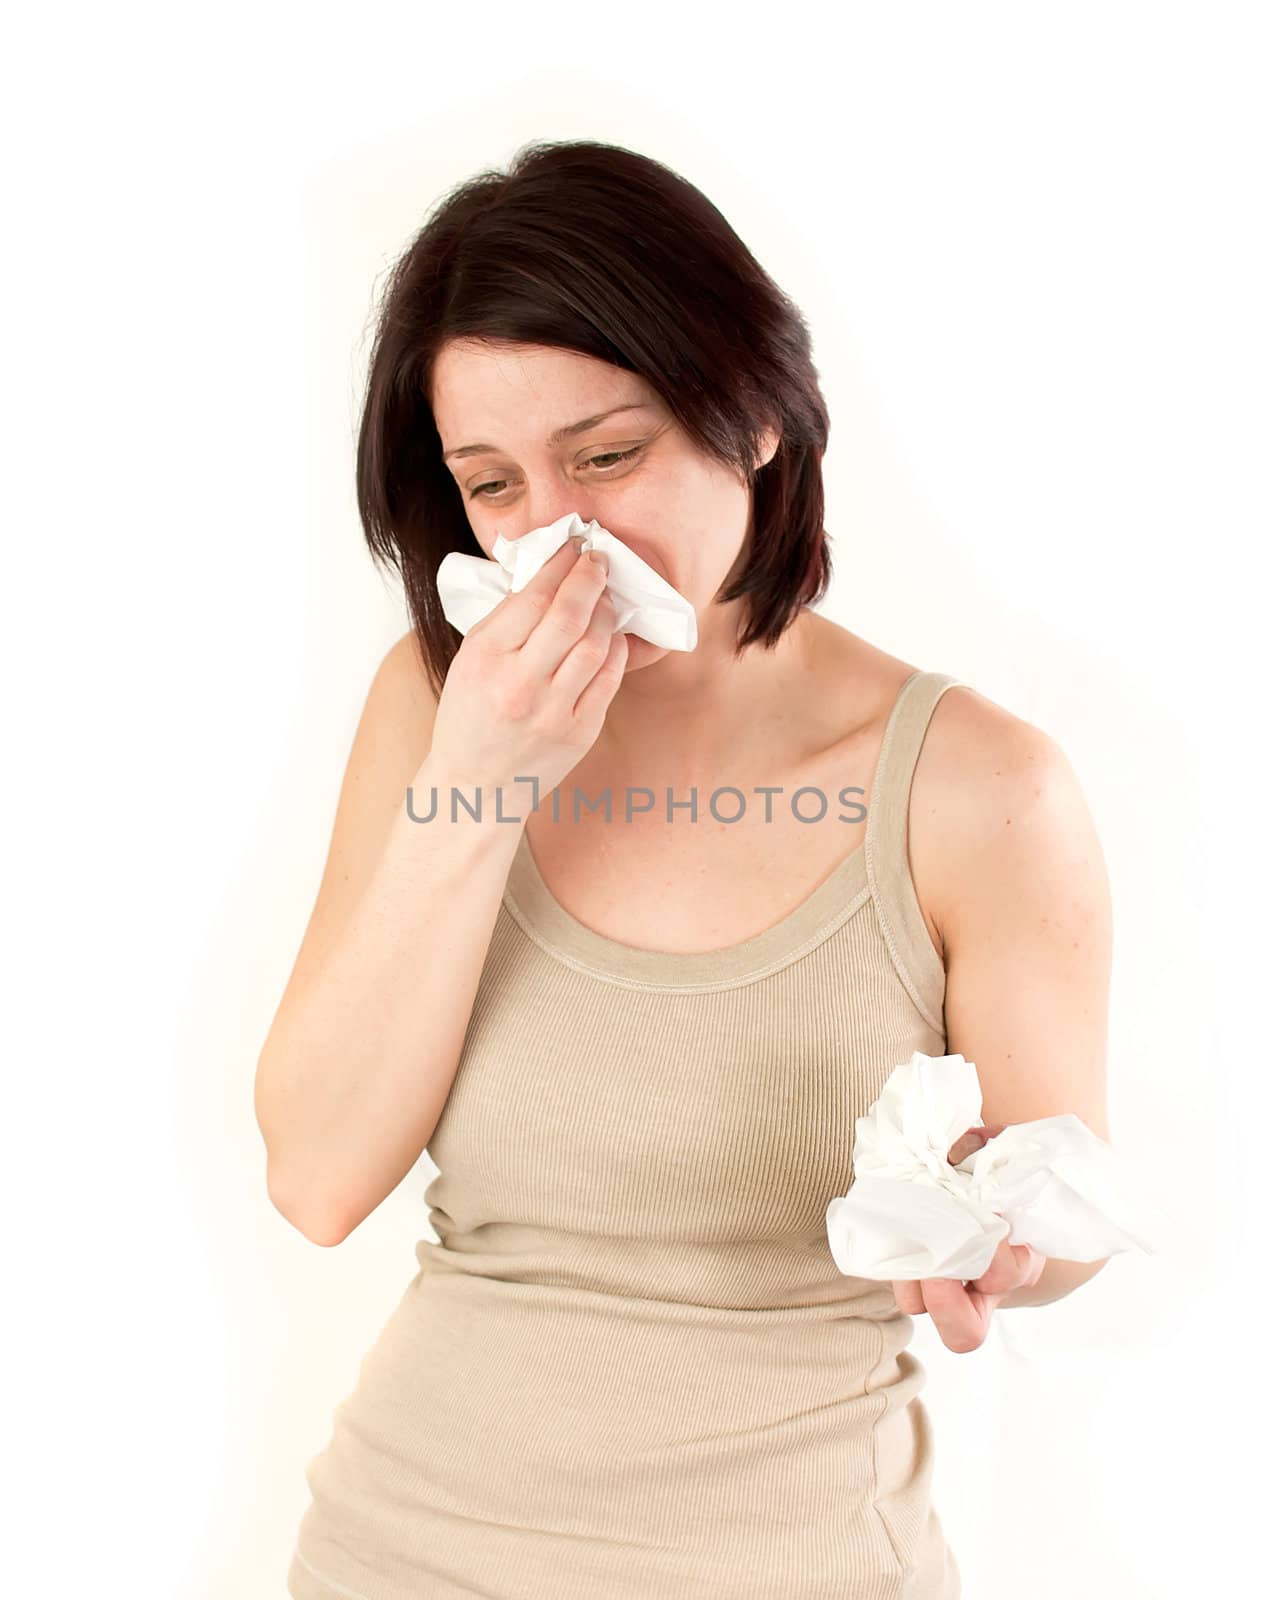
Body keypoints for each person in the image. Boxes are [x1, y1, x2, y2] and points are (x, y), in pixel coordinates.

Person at [255, 138, 1114, 1600]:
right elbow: (319, 1178)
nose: (556, 531)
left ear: (758, 417)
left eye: (606, 455)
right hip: (400, 1557)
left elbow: (1057, 1202)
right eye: (491, 482)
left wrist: (998, 1241)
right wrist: (475, 790)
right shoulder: (434, 707)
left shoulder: (983, 788)